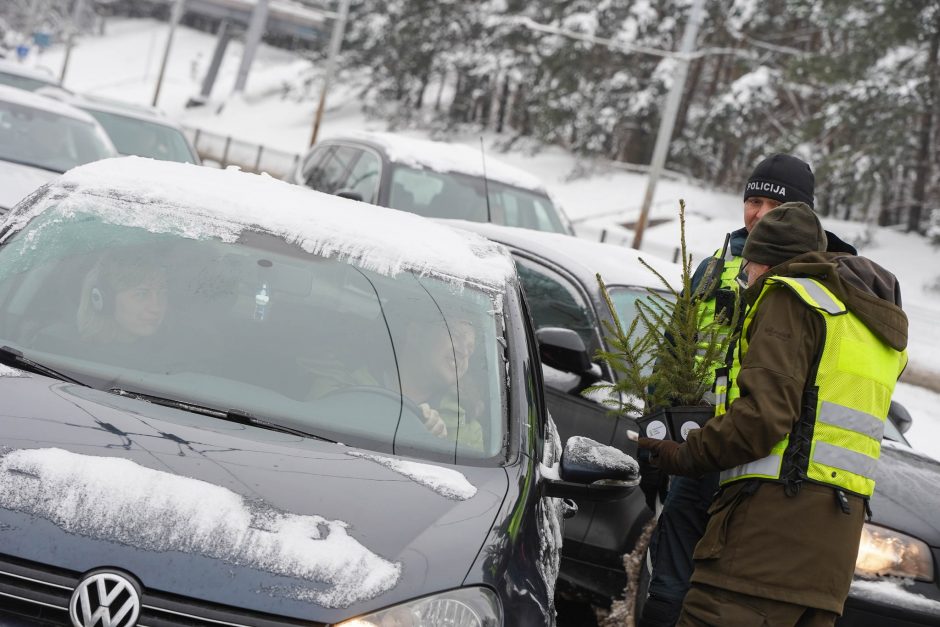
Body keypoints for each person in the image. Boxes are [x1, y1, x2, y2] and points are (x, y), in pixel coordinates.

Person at [637, 203, 908, 626]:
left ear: (767, 263)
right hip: (831, 556)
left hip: (762, 545)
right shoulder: (866, 325)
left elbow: (762, 419)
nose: (745, 277)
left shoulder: (790, 297)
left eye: (748, 267)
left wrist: (680, 454)